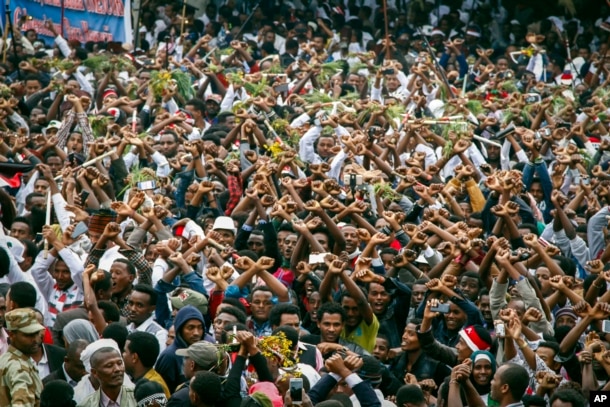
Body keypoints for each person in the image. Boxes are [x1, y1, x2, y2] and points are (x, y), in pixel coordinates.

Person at [0, 308, 45, 406]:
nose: (35, 339)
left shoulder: (5, 359)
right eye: (28, 335)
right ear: (12, 335)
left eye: (37, 333)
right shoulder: (19, 367)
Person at [123, 331, 170, 398]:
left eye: (125, 351)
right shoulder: (138, 379)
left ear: (134, 357)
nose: (122, 355)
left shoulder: (152, 389)